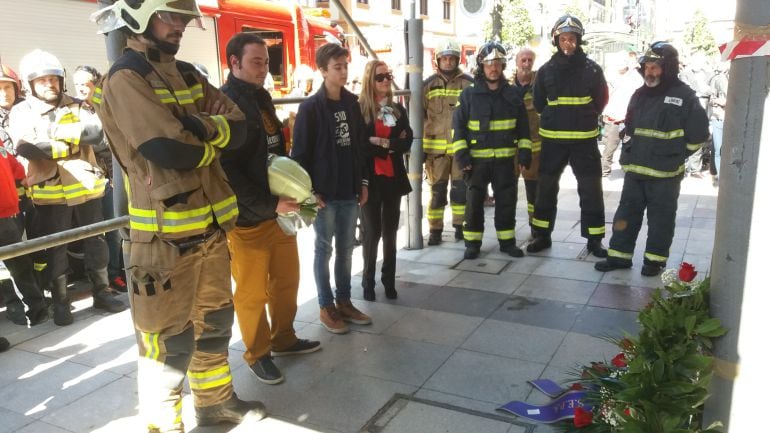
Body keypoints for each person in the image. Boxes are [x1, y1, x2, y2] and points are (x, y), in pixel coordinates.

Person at [92, 0, 265, 430]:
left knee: (215, 325)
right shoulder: (126, 77)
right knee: (167, 348)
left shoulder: (186, 72)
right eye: (172, 15)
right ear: (139, 15)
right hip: (162, 244)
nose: (183, 25)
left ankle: (214, 403)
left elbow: (241, 127)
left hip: (209, 232)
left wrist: (197, 131)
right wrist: (209, 135)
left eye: (185, 17)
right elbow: (166, 149)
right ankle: (163, 424)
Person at [220, 32, 321, 386]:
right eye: (256, 62)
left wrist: (303, 195)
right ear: (234, 63)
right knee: (251, 293)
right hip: (248, 220)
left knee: (286, 281)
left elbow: (276, 153)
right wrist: (270, 204)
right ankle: (257, 353)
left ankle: (284, 339)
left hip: (278, 212)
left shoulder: (260, 96)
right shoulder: (226, 102)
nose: (265, 69)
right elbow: (227, 171)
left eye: (266, 61)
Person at [9, 49, 126, 326]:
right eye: (42, 80)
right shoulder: (22, 110)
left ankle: (102, 292)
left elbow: (97, 135)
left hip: (87, 188)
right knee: (56, 249)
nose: (50, 84)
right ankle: (61, 302)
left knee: (96, 242)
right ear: (30, 83)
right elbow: (27, 147)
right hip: (50, 195)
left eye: (54, 79)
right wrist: (72, 141)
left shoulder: (78, 104)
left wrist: (51, 138)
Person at [594, 42, 709, 277]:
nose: (650, 72)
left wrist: (678, 153)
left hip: (665, 175)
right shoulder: (640, 94)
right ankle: (619, 256)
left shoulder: (684, 96)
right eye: (647, 66)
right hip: (635, 171)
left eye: (655, 67)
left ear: (668, 68)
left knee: (661, 221)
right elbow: (630, 126)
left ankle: (654, 262)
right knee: (625, 215)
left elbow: (699, 134)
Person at [291, 42, 372, 335]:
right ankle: (326, 306)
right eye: (337, 67)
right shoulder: (310, 108)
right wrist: (309, 192)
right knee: (323, 249)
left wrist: (363, 182)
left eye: (345, 65)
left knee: (347, 250)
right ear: (323, 70)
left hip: (349, 191)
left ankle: (344, 301)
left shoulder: (352, 103)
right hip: (323, 194)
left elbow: (361, 148)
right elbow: (298, 154)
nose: (343, 71)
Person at [529, 14, 609, 257]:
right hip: (553, 141)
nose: (568, 43)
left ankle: (594, 240)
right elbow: (539, 102)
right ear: (556, 40)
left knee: (591, 190)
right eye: (563, 39)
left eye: (572, 39)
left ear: (579, 40)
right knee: (546, 189)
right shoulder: (545, 71)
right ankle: (542, 235)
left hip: (584, 142)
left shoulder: (592, 70)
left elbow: (601, 100)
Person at [452, 41, 532, 260]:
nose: (493, 68)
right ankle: (472, 244)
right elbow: (457, 128)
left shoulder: (514, 95)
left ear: (503, 65)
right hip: (476, 163)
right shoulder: (468, 95)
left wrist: (525, 153)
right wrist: (462, 157)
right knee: (474, 205)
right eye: (489, 63)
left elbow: (524, 128)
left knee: (507, 203)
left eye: (497, 63)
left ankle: (507, 242)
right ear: (481, 65)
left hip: (506, 162)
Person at [358, 60, 413, 301]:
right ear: (370, 80)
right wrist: (388, 145)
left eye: (388, 75)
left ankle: (388, 280)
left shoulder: (398, 109)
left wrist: (380, 142)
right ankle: (367, 281)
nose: (385, 80)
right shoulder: (360, 109)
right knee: (372, 233)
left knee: (391, 234)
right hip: (369, 180)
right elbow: (361, 146)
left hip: (393, 178)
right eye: (380, 77)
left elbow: (407, 141)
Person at [0, 68, 49, 326]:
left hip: (14, 209)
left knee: (21, 260)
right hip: (8, 211)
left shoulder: (24, 114)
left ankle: (36, 304)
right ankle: (15, 307)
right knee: (8, 267)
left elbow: (16, 168)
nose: (4, 92)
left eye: (8, 86)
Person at [73, 65, 127, 292]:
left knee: (115, 230)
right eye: (76, 85)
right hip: (88, 180)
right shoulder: (73, 110)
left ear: (95, 84)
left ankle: (115, 273)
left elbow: (108, 141)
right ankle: (103, 277)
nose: (80, 89)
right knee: (98, 234)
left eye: (85, 84)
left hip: (112, 179)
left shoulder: (106, 106)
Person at [422, 39, 473, 245]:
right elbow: (419, 115)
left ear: (457, 59)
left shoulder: (468, 84)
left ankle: (460, 227)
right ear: (438, 60)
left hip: (460, 150)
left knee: (460, 191)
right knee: (437, 193)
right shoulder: (427, 85)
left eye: (452, 58)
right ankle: (435, 230)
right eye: (445, 58)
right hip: (436, 153)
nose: (449, 62)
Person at [511, 48, 541, 239]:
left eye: (530, 60)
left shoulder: (540, 85)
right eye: (523, 60)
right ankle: (507, 229)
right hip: (511, 149)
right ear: (516, 62)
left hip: (535, 148)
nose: (527, 63)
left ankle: (536, 228)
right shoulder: (507, 86)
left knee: (534, 192)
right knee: (508, 190)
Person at [601, 52, 642, 177]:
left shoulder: (636, 77)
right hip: (613, 118)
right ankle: (604, 170)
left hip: (629, 118)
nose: (623, 65)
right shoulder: (610, 75)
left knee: (629, 145)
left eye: (625, 62)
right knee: (610, 146)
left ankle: (626, 166)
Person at [708, 64, 728, 186]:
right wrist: (719, 102)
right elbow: (711, 99)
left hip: (733, 120)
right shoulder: (717, 79)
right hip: (719, 117)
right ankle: (721, 177)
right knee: (718, 148)